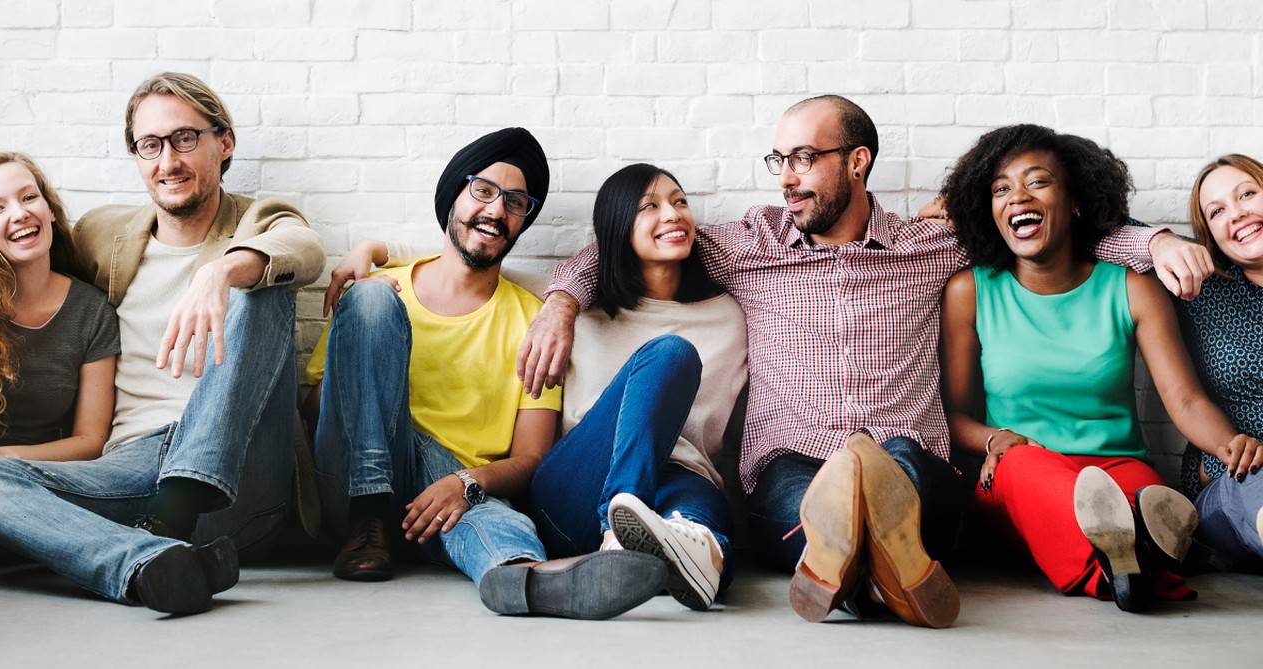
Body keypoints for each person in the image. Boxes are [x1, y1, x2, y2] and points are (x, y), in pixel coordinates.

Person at [519, 95, 1215, 628]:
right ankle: (886, 571)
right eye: (779, 160)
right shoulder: (751, 245)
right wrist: (559, 302)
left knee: (900, 463)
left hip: (911, 459)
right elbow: (627, 242)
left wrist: (1150, 242)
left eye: (804, 158)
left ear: (857, 161)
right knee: (808, 491)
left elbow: (1048, 231)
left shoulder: (931, 246)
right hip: (790, 463)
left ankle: (849, 565)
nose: (787, 178)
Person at [0, 72, 325, 614]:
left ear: (224, 143)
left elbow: (303, 248)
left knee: (263, 286)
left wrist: (222, 273)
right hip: (130, 467)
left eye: (185, 139)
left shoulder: (258, 221)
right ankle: (146, 561)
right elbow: (40, 281)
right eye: (151, 145)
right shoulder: (104, 233)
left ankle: (176, 509)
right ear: (138, 157)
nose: (169, 160)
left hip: (239, 474)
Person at [304, 128, 666, 621]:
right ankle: (372, 514)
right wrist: (368, 360)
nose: (496, 210)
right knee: (369, 304)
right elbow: (314, 410)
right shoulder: (380, 291)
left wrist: (465, 483)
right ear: (453, 195)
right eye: (483, 190)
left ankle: (523, 578)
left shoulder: (531, 322)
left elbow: (532, 457)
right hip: (350, 492)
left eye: (515, 202)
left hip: (448, 507)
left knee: (487, 511)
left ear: (522, 223)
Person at [936, 124, 1257, 612]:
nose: (1017, 196)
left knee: (1146, 495)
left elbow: (1185, 400)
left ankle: (1130, 559)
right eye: (1001, 188)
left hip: (1115, 467)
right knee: (1032, 470)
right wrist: (994, 439)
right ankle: (1136, 563)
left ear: (1076, 200)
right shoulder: (971, 291)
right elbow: (953, 415)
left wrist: (1228, 445)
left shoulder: (1130, 287)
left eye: (1037, 181)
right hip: (1019, 470)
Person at [523, 163, 748, 611]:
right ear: (617, 225)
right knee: (671, 355)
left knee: (703, 530)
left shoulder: (732, 315)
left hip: (681, 478)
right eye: (650, 206)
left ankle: (688, 560)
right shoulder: (578, 313)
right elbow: (491, 269)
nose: (673, 214)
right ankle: (616, 531)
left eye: (680, 202)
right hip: (580, 485)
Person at [0, 152, 117, 460]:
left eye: (29, 197)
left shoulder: (93, 312)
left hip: (46, 477)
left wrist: (0, 458)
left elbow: (90, 440)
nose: (19, 214)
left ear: (50, 210)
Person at [1179, 154, 1263, 571]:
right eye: (1217, 211)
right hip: (1237, 480)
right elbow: (1095, 227)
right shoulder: (1203, 292)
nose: (1238, 214)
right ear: (1209, 235)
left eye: (1247, 193)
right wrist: (1162, 242)